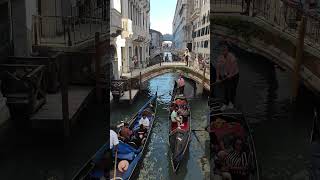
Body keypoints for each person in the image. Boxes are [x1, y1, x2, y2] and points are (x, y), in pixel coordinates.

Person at [216, 44, 239, 110]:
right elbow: (218, 68)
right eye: (222, 51)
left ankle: (231, 103)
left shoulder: (232, 57)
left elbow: (233, 66)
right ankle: (225, 103)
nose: (223, 52)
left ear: (227, 51)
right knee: (225, 89)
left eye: (224, 51)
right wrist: (217, 78)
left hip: (235, 75)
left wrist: (230, 75)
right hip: (226, 75)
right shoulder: (220, 57)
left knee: (232, 90)